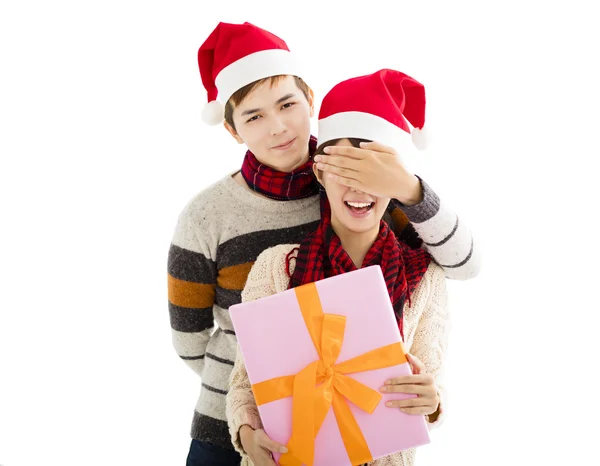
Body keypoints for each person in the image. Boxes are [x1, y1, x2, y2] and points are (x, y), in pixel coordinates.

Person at [168, 22, 476, 465]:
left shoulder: (358, 178)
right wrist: (274, 390)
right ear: (233, 130)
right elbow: (188, 338)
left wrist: (408, 187)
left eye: (287, 104)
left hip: (367, 431)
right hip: (235, 423)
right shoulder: (208, 216)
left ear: (309, 100)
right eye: (253, 116)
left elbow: (462, 265)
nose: (277, 127)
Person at [226, 68, 450, 466]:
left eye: (372, 173)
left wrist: (431, 401)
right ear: (320, 172)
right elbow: (244, 385)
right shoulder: (277, 266)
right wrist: (247, 434)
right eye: (344, 170)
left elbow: (429, 390)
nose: (359, 188)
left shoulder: (426, 278)